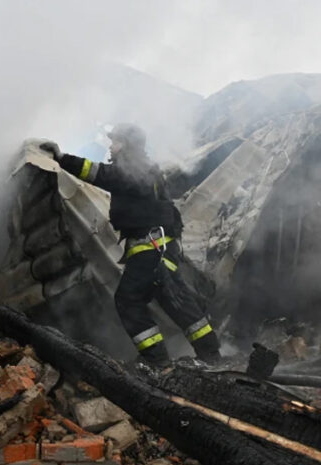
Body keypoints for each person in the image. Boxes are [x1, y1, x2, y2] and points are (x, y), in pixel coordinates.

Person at [39, 124, 222, 368]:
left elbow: (100, 174)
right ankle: (210, 354)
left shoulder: (135, 170)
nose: (111, 147)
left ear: (127, 145)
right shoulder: (145, 169)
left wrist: (62, 158)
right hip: (158, 248)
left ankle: (159, 362)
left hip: (151, 250)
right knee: (176, 300)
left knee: (129, 300)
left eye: (115, 142)